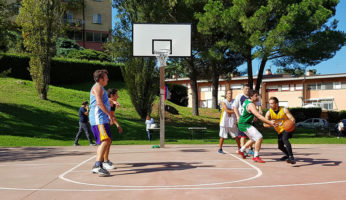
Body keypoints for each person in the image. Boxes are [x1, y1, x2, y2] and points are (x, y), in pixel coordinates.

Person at [89, 69, 122, 177]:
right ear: (100, 79)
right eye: (106, 77)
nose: (108, 79)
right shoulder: (97, 87)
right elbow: (99, 102)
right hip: (99, 119)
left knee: (106, 141)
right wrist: (109, 115)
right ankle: (98, 165)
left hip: (102, 119)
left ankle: (100, 164)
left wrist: (113, 101)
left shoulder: (101, 88)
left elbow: (105, 99)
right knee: (105, 140)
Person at [237, 90, 278, 163]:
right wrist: (270, 122)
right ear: (251, 97)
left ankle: (241, 150)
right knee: (259, 137)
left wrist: (252, 116)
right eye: (256, 95)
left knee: (253, 138)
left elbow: (247, 112)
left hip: (244, 123)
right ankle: (256, 156)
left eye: (257, 95)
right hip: (244, 124)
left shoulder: (247, 101)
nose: (257, 96)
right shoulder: (251, 105)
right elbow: (259, 116)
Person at [265, 97, 296, 164]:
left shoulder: (284, 109)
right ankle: (287, 155)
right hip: (280, 131)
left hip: (287, 129)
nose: (270, 105)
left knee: (285, 139)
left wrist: (291, 123)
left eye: (272, 103)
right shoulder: (269, 113)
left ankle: (291, 157)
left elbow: (292, 118)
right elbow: (264, 124)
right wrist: (271, 124)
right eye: (269, 103)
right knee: (280, 146)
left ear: (276, 104)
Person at [104, 88, 123, 170]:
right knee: (107, 141)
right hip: (100, 122)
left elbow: (112, 116)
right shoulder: (106, 100)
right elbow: (108, 100)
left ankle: (105, 160)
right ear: (112, 95)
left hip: (106, 123)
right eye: (116, 94)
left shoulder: (113, 104)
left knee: (108, 141)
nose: (118, 96)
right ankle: (103, 161)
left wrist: (117, 125)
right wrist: (114, 102)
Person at [234, 84, 254, 156]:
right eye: (246, 89)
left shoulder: (252, 96)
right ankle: (243, 150)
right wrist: (237, 116)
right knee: (243, 135)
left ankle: (250, 149)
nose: (247, 90)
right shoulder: (239, 97)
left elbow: (258, 105)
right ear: (243, 89)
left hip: (250, 119)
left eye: (248, 89)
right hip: (242, 119)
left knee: (252, 135)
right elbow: (235, 107)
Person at [218, 89, 241, 154]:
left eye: (231, 93)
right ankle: (220, 149)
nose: (230, 95)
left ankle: (240, 148)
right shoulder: (223, 101)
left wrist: (234, 112)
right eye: (228, 93)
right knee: (222, 136)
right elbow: (227, 110)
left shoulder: (235, 101)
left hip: (232, 121)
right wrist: (234, 111)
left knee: (236, 136)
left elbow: (237, 110)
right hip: (224, 122)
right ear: (226, 95)